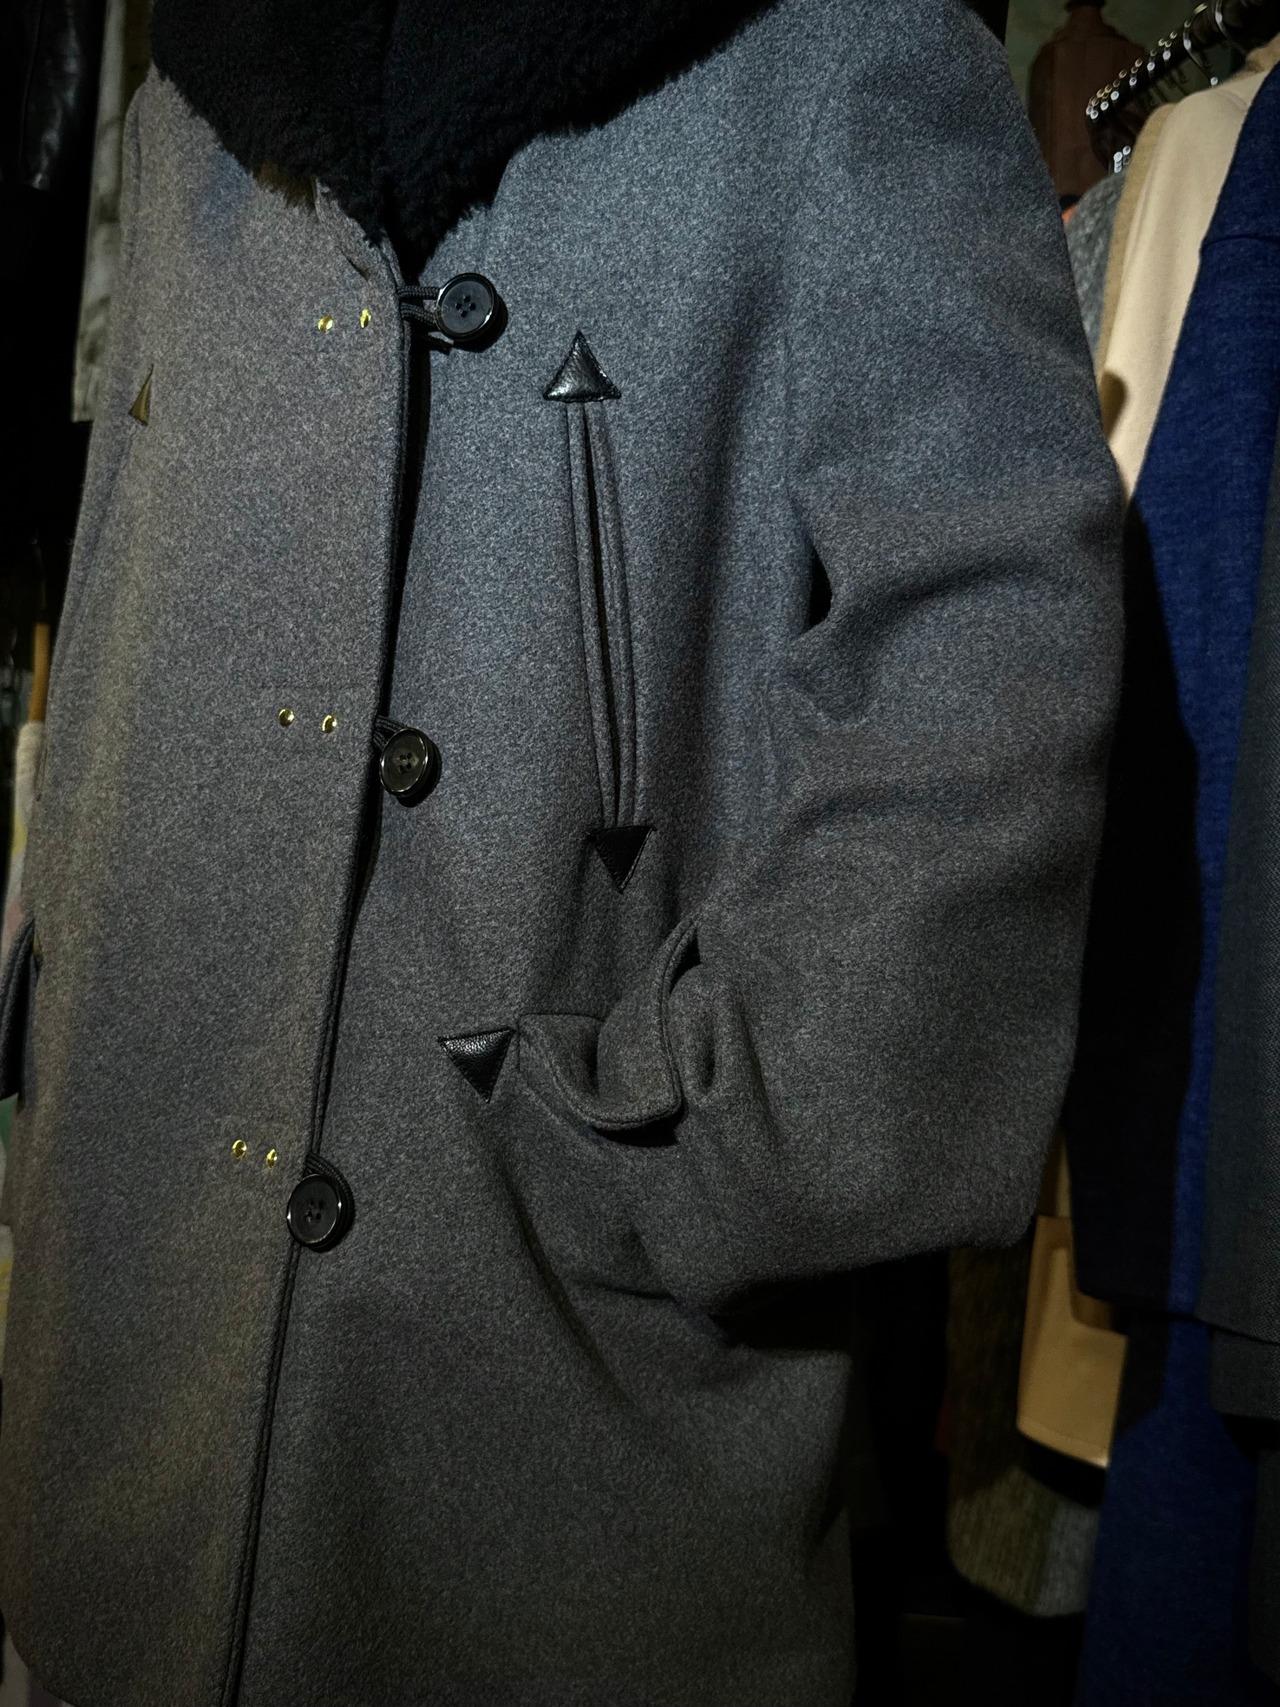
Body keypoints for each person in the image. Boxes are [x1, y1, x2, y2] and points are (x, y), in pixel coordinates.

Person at [0, 0, 1122, 1701]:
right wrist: (71, 1050)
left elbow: (992, 658)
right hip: (137, 1364)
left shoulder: (839, 58)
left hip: (576, 1400)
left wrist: (719, 1138)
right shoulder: (196, 96)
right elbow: (124, 635)